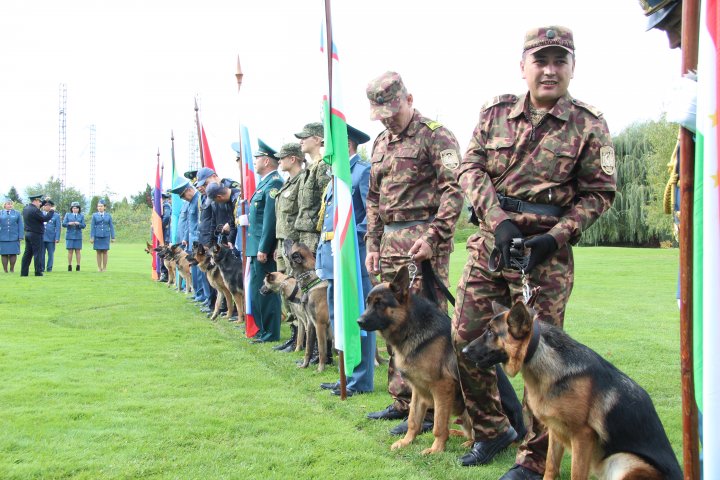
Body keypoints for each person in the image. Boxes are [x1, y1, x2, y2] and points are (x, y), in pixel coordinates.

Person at [454, 27, 617, 477]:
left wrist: (555, 237)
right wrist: (498, 221)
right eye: (540, 60)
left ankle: (533, 460)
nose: (549, 70)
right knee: (464, 338)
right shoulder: (496, 112)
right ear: (522, 66)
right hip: (492, 242)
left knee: (541, 359)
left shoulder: (588, 123)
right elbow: (470, 168)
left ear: (572, 67)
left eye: (559, 61)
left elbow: (599, 194)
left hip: (545, 256)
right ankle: (491, 429)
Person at [363, 71, 464, 435]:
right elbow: (373, 200)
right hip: (389, 244)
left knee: (428, 331)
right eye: (381, 113)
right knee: (392, 325)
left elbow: (454, 190)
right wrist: (372, 244)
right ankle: (403, 403)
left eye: (393, 109)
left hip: (423, 246)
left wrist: (435, 237)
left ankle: (435, 412)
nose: (388, 118)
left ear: (409, 98)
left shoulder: (435, 135)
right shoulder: (380, 143)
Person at [317, 124, 376, 396]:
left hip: (352, 257)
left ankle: (360, 379)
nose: (324, 151)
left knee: (358, 317)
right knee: (338, 316)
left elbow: (370, 215)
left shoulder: (361, 172)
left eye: (329, 145)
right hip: (334, 258)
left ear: (347, 144)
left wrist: (350, 242)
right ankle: (346, 373)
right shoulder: (337, 177)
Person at [244, 141, 284, 342]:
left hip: (263, 248)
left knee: (267, 291)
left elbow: (270, 219)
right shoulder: (264, 183)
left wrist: (264, 247)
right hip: (255, 246)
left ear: (267, 160)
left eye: (257, 158)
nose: (255, 162)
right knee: (256, 291)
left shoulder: (274, 183)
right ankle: (262, 329)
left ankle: (271, 332)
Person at [272, 142, 306, 352]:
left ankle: (301, 337)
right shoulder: (287, 182)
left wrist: (296, 248)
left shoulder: (302, 180)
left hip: (294, 243)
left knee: (295, 290)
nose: (279, 162)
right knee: (285, 290)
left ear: (293, 159)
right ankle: (294, 335)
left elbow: (301, 213)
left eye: (282, 158)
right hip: (283, 242)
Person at [294, 122, 330, 254]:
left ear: (317, 139)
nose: (300, 142)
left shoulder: (323, 166)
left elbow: (327, 202)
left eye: (304, 138)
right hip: (304, 234)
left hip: (315, 236)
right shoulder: (309, 168)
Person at [20, 194, 54, 277]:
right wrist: (51, 211)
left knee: (27, 254)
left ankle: (24, 272)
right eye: (39, 201)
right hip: (36, 234)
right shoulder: (35, 210)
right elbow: (44, 219)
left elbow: (38, 209)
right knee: (38, 253)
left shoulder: (26, 208)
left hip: (28, 233)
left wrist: (45, 201)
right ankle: (38, 272)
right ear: (35, 201)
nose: (40, 203)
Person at [90, 200, 115, 272]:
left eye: (101, 206)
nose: (99, 208)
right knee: (98, 252)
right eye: (98, 206)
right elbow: (92, 227)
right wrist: (92, 237)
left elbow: (111, 226)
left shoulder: (108, 215)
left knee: (105, 252)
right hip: (97, 235)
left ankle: (104, 268)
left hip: (106, 235)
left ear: (105, 207)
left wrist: (113, 237)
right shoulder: (94, 215)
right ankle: (99, 267)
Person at [0, 198, 23, 273]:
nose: (10, 205)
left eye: (11, 204)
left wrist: (20, 236)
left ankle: (12, 269)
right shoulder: (0, 213)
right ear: (5, 205)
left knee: (13, 253)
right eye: (8, 204)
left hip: (14, 237)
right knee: (4, 254)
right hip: (2, 237)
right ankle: (5, 270)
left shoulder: (17, 213)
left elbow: (20, 225)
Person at [63, 201, 85, 271]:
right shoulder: (68, 215)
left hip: (78, 235)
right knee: (70, 251)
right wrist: (69, 223)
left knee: (78, 251)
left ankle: (78, 265)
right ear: (71, 209)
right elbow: (63, 224)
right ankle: (69, 265)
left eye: (76, 208)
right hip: (70, 235)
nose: (75, 209)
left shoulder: (81, 216)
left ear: (79, 209)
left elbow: (84, 225)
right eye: (74, 208)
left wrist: (79, 224)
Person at [41, 198, 61, 272]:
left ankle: (49, 268)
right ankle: (41, 268)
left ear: (51, 206)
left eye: (49, 205)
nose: (47, 207)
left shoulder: (56, 215)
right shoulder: (40, 214)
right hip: (42, 237)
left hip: (51, 237)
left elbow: (58, 227)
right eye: (45, 205)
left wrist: (57, 237)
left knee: (51, 254)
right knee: (42, 254)